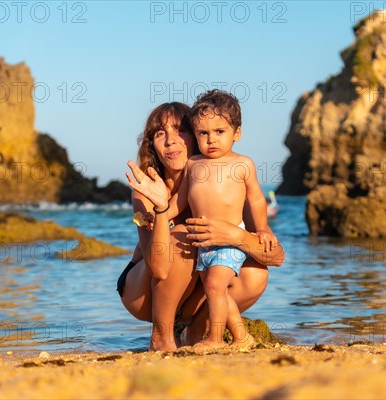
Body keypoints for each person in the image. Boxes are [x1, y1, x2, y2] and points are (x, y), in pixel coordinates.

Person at [121, 102, 284, 352]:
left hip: (196, 291)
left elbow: (275, 257)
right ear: (151, 143)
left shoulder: (227, 181)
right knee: (184, 235)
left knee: (256, 273)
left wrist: (235, 235)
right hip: (144, 294)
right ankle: (161, 338)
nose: (170, 141)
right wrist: (162, 209)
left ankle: (196, 331)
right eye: (160, 134)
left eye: (180, 131)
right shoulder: (146, 191)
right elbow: (158, 267)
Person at [164, 90, 278, 350]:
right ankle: (241, 337)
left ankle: (214, 339)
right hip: (205, 244)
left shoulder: (242, 164)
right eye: (203, 133)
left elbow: (257, 200)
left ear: (236, 133)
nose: (211, 139)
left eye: (219, 132)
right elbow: (180, 201)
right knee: (217, 292)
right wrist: (160, 215)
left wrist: (262, 228)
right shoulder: (193, 164)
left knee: (215, 285)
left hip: (230, 239)